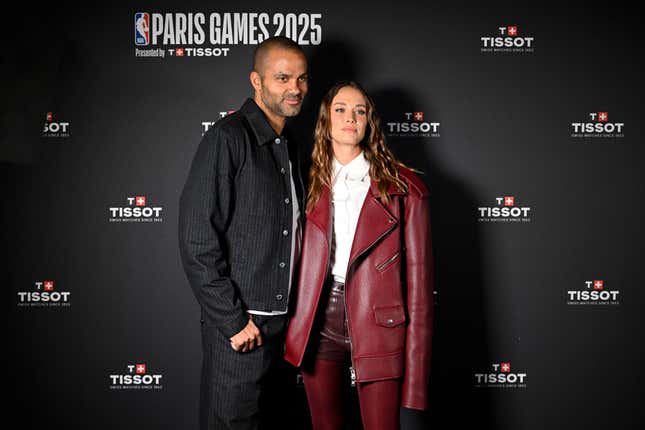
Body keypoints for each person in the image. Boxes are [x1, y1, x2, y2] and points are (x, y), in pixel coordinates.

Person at [284, 81, 433, 430]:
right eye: (340, 109)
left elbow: (421, 294)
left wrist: (416, 385)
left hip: (381, 324)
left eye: (359, 111)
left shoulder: (405, 189)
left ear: (369, 122)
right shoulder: (302, 181)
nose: (350, 118)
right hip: (318, 322)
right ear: (326, 120)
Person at [178, 36, 308, 430]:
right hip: (241, 330)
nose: (295, 89)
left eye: (302, 79)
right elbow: (197, 240)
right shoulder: (228, 137)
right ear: (256, 80)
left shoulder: (292, 146)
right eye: (283, 78)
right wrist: (233, 321)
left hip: (284, 333)